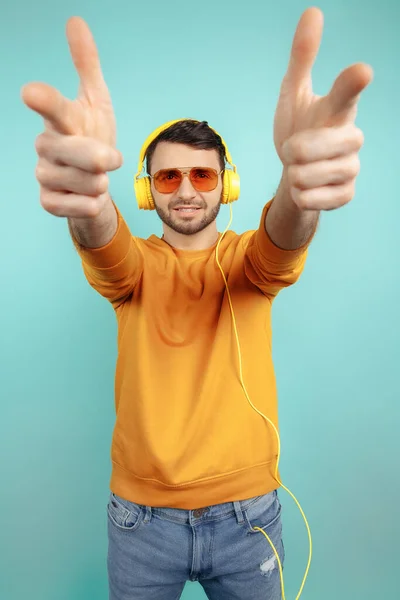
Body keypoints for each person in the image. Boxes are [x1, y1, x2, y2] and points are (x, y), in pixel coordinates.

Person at [21, 6, 372, 600]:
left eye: (203, 177)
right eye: (167, 178)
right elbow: (104, 243)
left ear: (226, 184)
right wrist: (87, 202)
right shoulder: (136, 271)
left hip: (249, 520)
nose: (186, 190)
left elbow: (284, 237)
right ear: (145, 190)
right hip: (140, 523)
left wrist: (297, 185)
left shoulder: (248, 263)